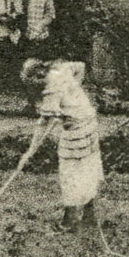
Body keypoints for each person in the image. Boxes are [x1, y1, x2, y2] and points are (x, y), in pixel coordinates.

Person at [29, 57, 105, 237]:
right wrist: (74, 89)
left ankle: (69, 220)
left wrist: (31, 150)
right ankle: (89, 215)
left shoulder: (51, 90)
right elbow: (81, 66)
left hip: (77, 129)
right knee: (87, 168)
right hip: (89, 121)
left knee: (69, 172)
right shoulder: (62, 69)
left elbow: (43, 123)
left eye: (32, 82)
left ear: (38, 76)